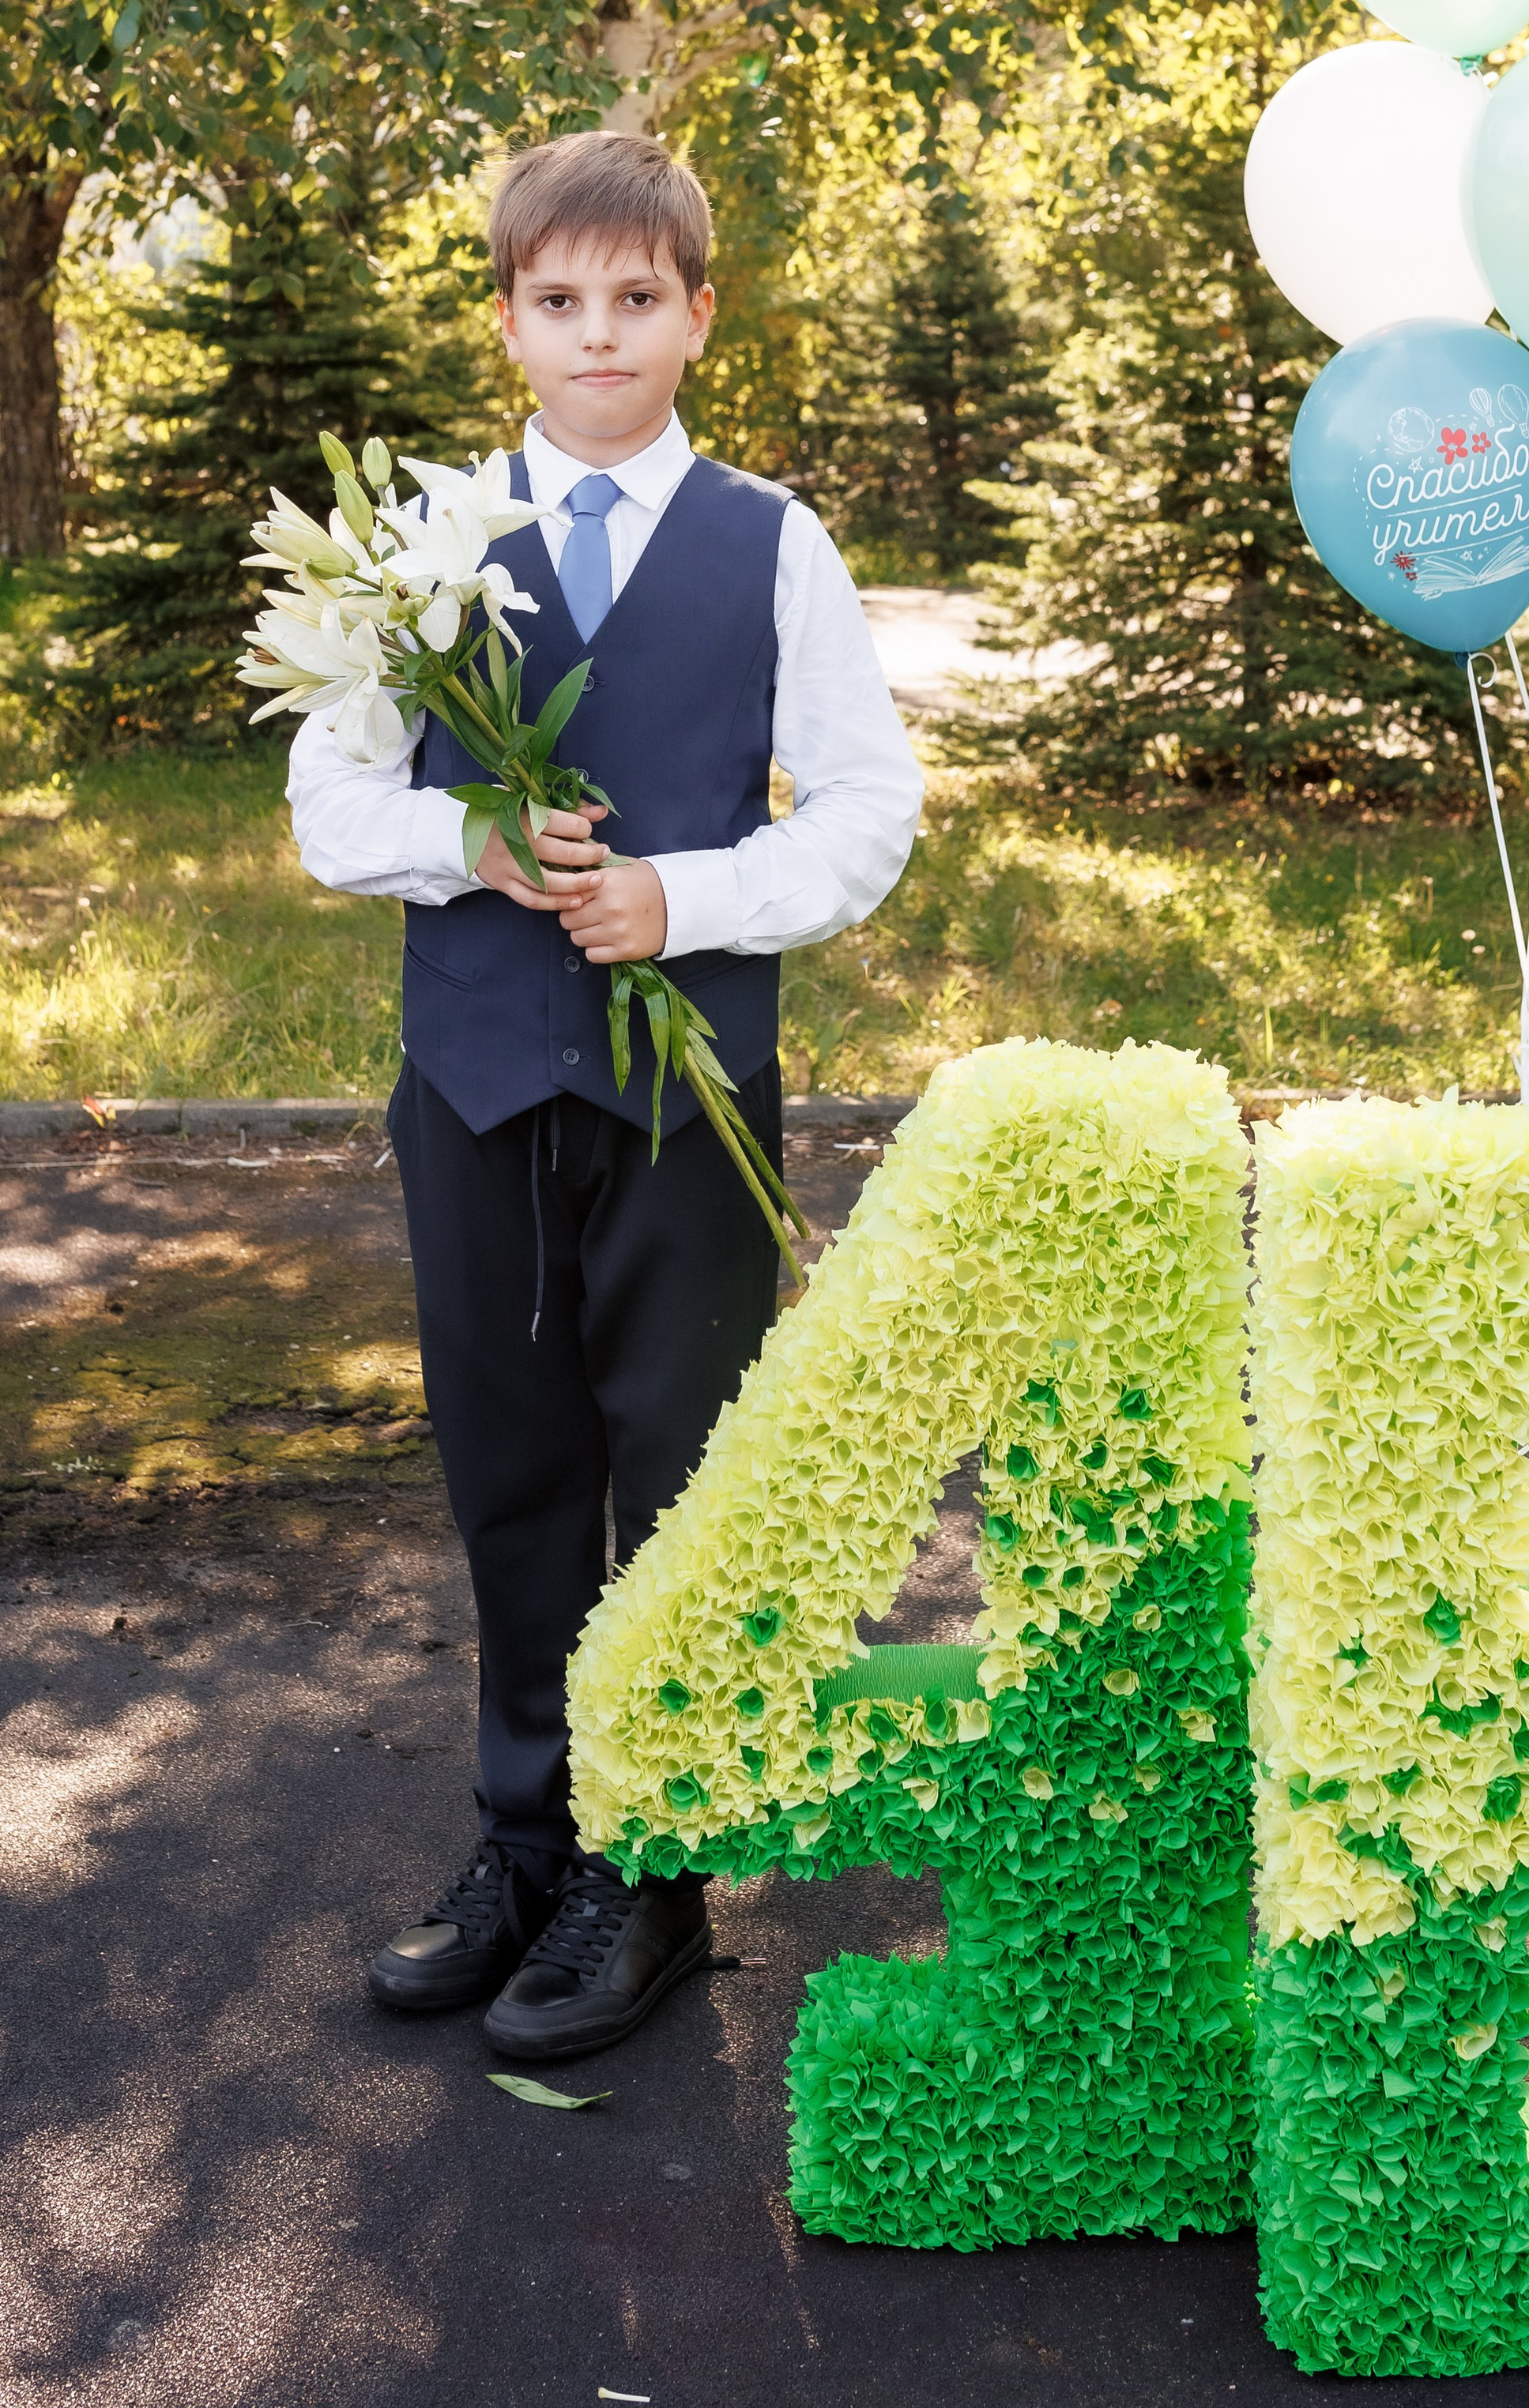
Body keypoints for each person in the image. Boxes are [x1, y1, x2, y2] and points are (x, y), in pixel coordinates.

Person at [288, 132, 923, 2061]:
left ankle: (650, 1874)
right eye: (557, 301)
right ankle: (523, 1840)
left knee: (676, 1474)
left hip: (687, 1090)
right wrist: (471, 844)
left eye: (635, 299)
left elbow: (868, 811)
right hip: (473, 1084)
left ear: (697, 314)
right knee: (511, 1471)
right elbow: (330, 812)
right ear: (506, 319)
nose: (597, 335)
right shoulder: (418, 542)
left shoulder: (769, 540)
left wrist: (690, 898)